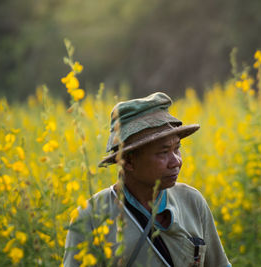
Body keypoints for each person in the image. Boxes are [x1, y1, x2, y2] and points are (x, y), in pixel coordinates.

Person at [63, 92, 231, 267]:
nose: (176, 161)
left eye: (176, 149)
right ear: (127, 161)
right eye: (163, 152)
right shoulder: (89, 218)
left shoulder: (192, 202)